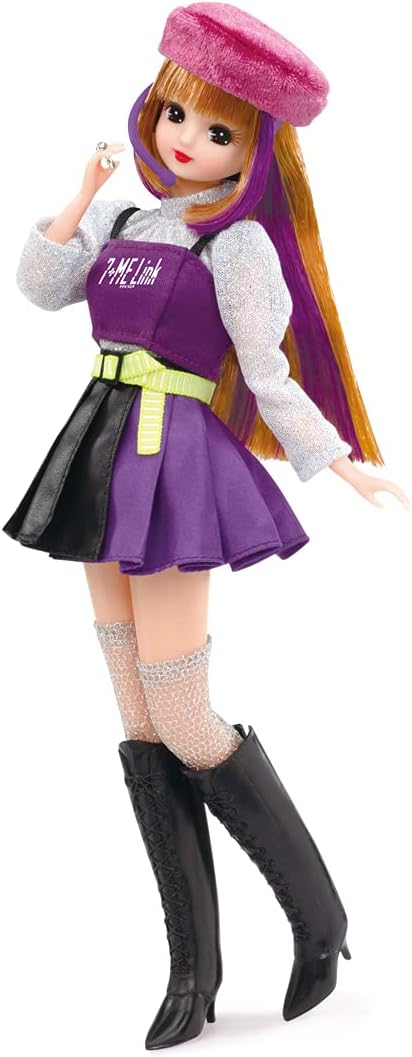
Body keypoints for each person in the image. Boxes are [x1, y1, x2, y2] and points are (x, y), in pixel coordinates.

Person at [3, 2, 410, 1051]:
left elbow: (266, 371)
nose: (187, 139)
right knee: (138, 719)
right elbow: (40, 287)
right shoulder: (124, 220)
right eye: (177, 112)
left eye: (219, 129)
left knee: (184, 715)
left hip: (168, 460)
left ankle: (318, 916)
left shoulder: (240, 244)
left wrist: (335, 458)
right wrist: (80, 196)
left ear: (256, 147)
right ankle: (194, 967)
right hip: (96, 454)